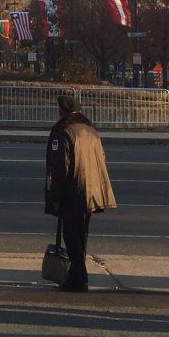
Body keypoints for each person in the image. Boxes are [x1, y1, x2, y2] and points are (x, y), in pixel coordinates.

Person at [45, 92, 116, 291]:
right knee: (81, 232)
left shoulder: (64, 130)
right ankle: (78, 273)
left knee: (71, 234)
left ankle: (78, 276)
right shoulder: (89, 129)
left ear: (63, 110)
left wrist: (55, 195)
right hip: (91, 188)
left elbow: (60, 167)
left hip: (72, 189)